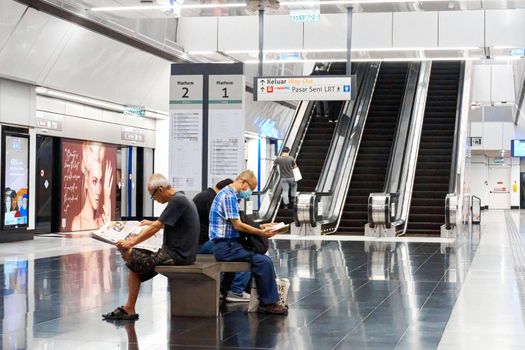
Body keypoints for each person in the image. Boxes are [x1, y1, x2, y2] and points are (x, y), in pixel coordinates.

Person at [102, 173, 200, 320]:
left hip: (178, 255)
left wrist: (131, 242)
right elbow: (164, 224)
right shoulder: (181, 198)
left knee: (133, 259)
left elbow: (157, 226)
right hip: (182, 252)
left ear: (160, 189)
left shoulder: (177, 201)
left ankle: (128, 256)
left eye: (153, 196)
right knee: (134, 266)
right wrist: (150, 224)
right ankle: (129, 307)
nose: (155, 200)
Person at [209, 170, 288, 315]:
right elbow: (237, 225)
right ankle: (268, 303)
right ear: (243, 182)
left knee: (263, 260)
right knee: (264, 261)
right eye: (250, 188)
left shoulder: (230, 195)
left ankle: (267, 299)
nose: (249, 192)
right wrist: (260, 232)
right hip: (226, 247)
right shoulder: (228, 196)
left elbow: (240, 222)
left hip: (230, 245)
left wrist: (263, 226)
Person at [71, 141, 113, 231]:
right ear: (86, 181)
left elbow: (110, 238)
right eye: (94, 181)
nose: (98, 191)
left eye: (100, 181)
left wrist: (107, 198)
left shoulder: (102, 220)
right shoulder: (77, 223)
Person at [193, 178, 234, 254]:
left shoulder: (207, 195)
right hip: (201, 244)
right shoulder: (211, 199)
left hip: (196, 242)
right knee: (232, 244)